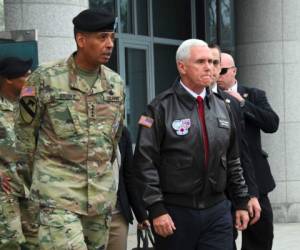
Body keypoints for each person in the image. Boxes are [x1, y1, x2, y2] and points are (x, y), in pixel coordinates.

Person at [14, 8, 125, 250]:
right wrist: (33, 188)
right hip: (56, 196)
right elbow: (24, 135)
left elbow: (113, 139)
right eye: (102, 37)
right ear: (81, 40)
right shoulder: (45, 78)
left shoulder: (115, 84)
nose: (109, 44)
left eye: (112, 38)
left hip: (99, 199)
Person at [133, 39, 250, 250]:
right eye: (200, 61)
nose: (209, 67)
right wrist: (156, 208)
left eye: (212, 62)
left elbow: (233, 159)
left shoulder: (224, 107)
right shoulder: (158, 109)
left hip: (217, 211)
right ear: (182, 66)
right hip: (175, 213)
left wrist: (241, 200)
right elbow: (144, 161)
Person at [218, 52, 279, 250]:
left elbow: (272, 123)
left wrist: (242, 103)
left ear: (234, 71)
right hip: (224, 184)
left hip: (256, 181)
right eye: (214, 70)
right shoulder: (211, 98)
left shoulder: (253, 94)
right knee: (224, 241)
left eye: (223, 70)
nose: (217, 75)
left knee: (260, 239)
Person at [209, 45, 261, 249]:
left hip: (227, 196)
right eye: (204, 62)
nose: (211, 69)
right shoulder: (167, 104)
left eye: (215, 64)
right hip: (187, 204)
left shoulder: (230, 102)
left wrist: (249, 195)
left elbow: (239, 154)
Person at [0, 57, 39, 249]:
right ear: (9, 79)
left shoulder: (29, 106)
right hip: (6, 189)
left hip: (31, 185)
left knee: (37, 240)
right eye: (26, 76)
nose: (30, 80)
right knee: (11, 243)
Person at [107, 126, 149, 250]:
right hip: (87, 215)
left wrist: (141, 216)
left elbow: (129, 176)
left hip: (117, 215)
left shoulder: (123, 132)